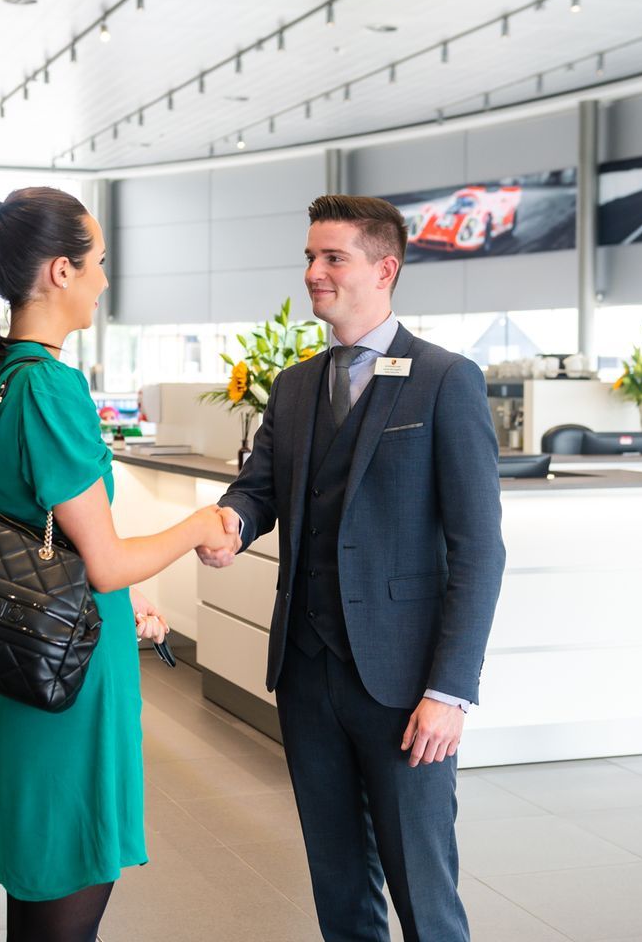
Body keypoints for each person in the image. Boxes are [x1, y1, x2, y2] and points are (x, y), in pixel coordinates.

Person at [196, 195, 505, 942]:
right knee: (338, 883)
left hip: (403, 685)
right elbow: (260, 486)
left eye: (332, 257)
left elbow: (478, 548)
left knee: (423, 890)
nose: (313, 273)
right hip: (306, 673)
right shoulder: (298, 385)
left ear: (385, 268)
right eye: (309, 257)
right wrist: (234, 521)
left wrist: (450, 690)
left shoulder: (445, 380)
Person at [0, 187, 233, 942]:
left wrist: (120, 597)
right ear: (61, 272)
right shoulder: (49, 386)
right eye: (100, 262)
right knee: (66, 883)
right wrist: (198, 523)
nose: (106, 279)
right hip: (67, 678)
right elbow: (103, 562)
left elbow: (26, 529)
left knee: (39, 882)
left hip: (19, 657)